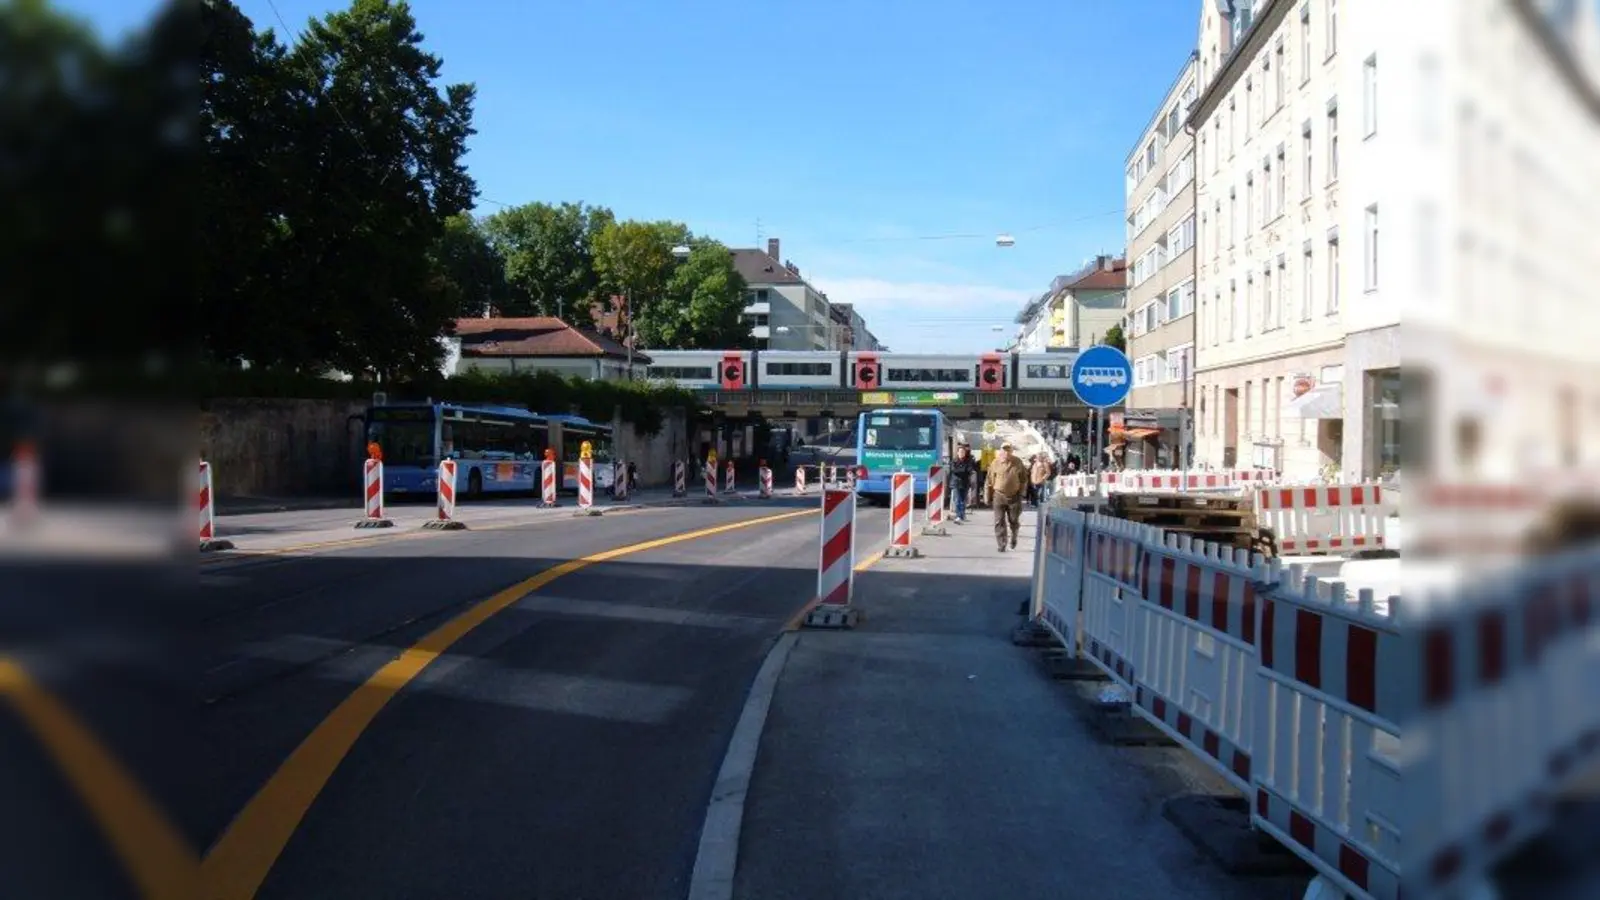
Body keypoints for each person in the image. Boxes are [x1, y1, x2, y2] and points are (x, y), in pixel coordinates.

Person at [985, 441, 1029, 552]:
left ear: (1011, 451)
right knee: (999, 521)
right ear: (1000, 451)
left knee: (1013, 520)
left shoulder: (1017, 462)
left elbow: (1024, 479)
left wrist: (1022, 493)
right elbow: (989, 481)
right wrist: (987, 496)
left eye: (1008, 450)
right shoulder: (995, 463)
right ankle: (1001, 544)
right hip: (999, 495)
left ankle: (1014, 537)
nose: (1006, 452)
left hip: (1014, 496)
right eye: (1004, 450)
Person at [948, 441, 977, 523]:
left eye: (963, 452)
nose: (961, 453)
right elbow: (954, 470)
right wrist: (964, 471)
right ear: (957, 453)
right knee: (957, 500)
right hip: (956, 483)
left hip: (965, 483)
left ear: (965, 453)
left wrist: (962, 471)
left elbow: (970, 470)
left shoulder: (968, 461)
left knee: (963, 500)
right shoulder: (954, 461)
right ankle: (958, 516)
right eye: (960, 452)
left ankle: (962, 514)